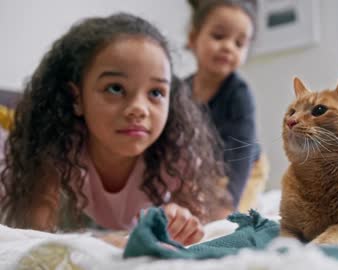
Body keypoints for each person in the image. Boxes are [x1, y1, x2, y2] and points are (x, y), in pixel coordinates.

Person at [0, 13, 231, 246]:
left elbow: (202, 229)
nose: (139, 109)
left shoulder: (177, 151)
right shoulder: (53, 146)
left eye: (156, 92)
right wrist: (105, 243)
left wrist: (181, 221)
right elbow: (33, 240)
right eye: (115, 88)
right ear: (76, 98)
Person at [185, 0, 267, 211]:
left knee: (228, 216)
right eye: (218, 36)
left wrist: (230, 200)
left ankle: (251, 202)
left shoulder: (239, 94)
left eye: (239, 43)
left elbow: (243, 150)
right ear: (193, 39)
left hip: (246, 166)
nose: (228, 47)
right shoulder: (180, 91)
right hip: (207, 168)